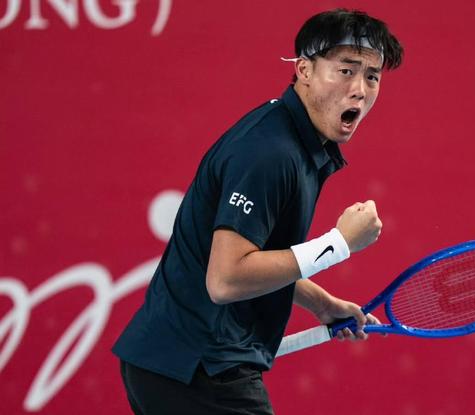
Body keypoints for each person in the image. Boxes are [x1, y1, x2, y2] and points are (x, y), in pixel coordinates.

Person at [112, 8, 403, 414]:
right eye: (345, 70)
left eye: (372, 76)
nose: (359, 89)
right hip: (198, 371)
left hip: (174, 365)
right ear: (304, 70)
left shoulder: (294, 142)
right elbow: (227, 279)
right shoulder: (271, 153)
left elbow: (257, 257)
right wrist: (338, 244)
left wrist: (321, 304)